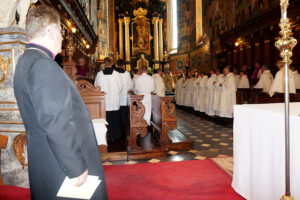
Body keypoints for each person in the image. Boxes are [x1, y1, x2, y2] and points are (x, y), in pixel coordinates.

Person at [13, 5, 108, 199]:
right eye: (60, 31)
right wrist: (75, 166)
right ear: (50, 30)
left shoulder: (25, 61)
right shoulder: (43, 66)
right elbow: (56, 122)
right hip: (61, 167)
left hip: (45, 159)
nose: (63, 37)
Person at [95, 57, 123, 141]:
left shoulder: (99, 74)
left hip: (104, 100)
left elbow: (96, 86)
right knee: (114, 117)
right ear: (111, 64)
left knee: (105, 117)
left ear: (104, 64)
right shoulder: (116, 74)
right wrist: (115, 93)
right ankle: (115, 135)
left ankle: (105, 136)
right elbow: (120, 86)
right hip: (114, 99)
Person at [115, 59, 133, 135]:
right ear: (123, 65)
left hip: (115, 96)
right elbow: (130, 85)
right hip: (124, 97)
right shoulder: (126, 74)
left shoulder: (114, 73)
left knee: (116, 113)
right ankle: (123, 129)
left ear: (116, 64)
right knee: (123, 113)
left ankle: (117, 128)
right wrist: (126, 90)